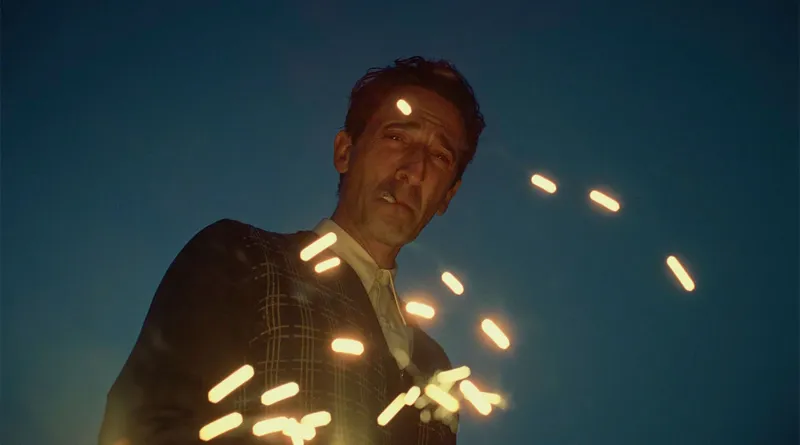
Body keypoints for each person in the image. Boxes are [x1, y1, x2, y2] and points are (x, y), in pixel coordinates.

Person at [98, 56, 485, 445]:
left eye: (440, 156)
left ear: (447, 196)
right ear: (345, 152)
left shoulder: (435, 367)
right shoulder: (241, 257)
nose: (414, 169)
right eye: (396, 137)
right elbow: (145, 423)